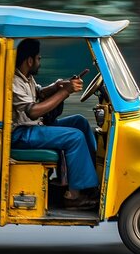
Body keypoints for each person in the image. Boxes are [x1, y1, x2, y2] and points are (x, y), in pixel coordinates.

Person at [11, 38, 99, 209]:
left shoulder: (26, 78)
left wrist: (58, 85)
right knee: (74, 137)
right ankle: (74, 195)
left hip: (33, 128)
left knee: (79, 122)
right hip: (21, 133)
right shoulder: (14, 82)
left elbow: (39, 93)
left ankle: (92, 178)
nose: (39, 62)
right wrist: (65, 91)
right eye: (39, 59)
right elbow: (33, 110)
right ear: (30, 60)